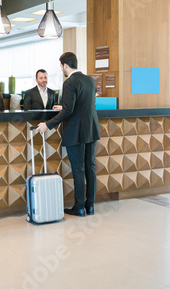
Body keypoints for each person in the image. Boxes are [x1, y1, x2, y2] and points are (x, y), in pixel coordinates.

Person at [36, 52, 100, 217]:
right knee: (90, 167)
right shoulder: (90, 80)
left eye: (61, 66)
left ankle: (79, 207)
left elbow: (70, 110)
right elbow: (85, 104)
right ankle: (90, 206)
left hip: (76, 132)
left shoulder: (70, 82)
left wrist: (48, 125)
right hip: (91, 129)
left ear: (65, 65)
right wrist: (64, 108)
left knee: (78, 170)